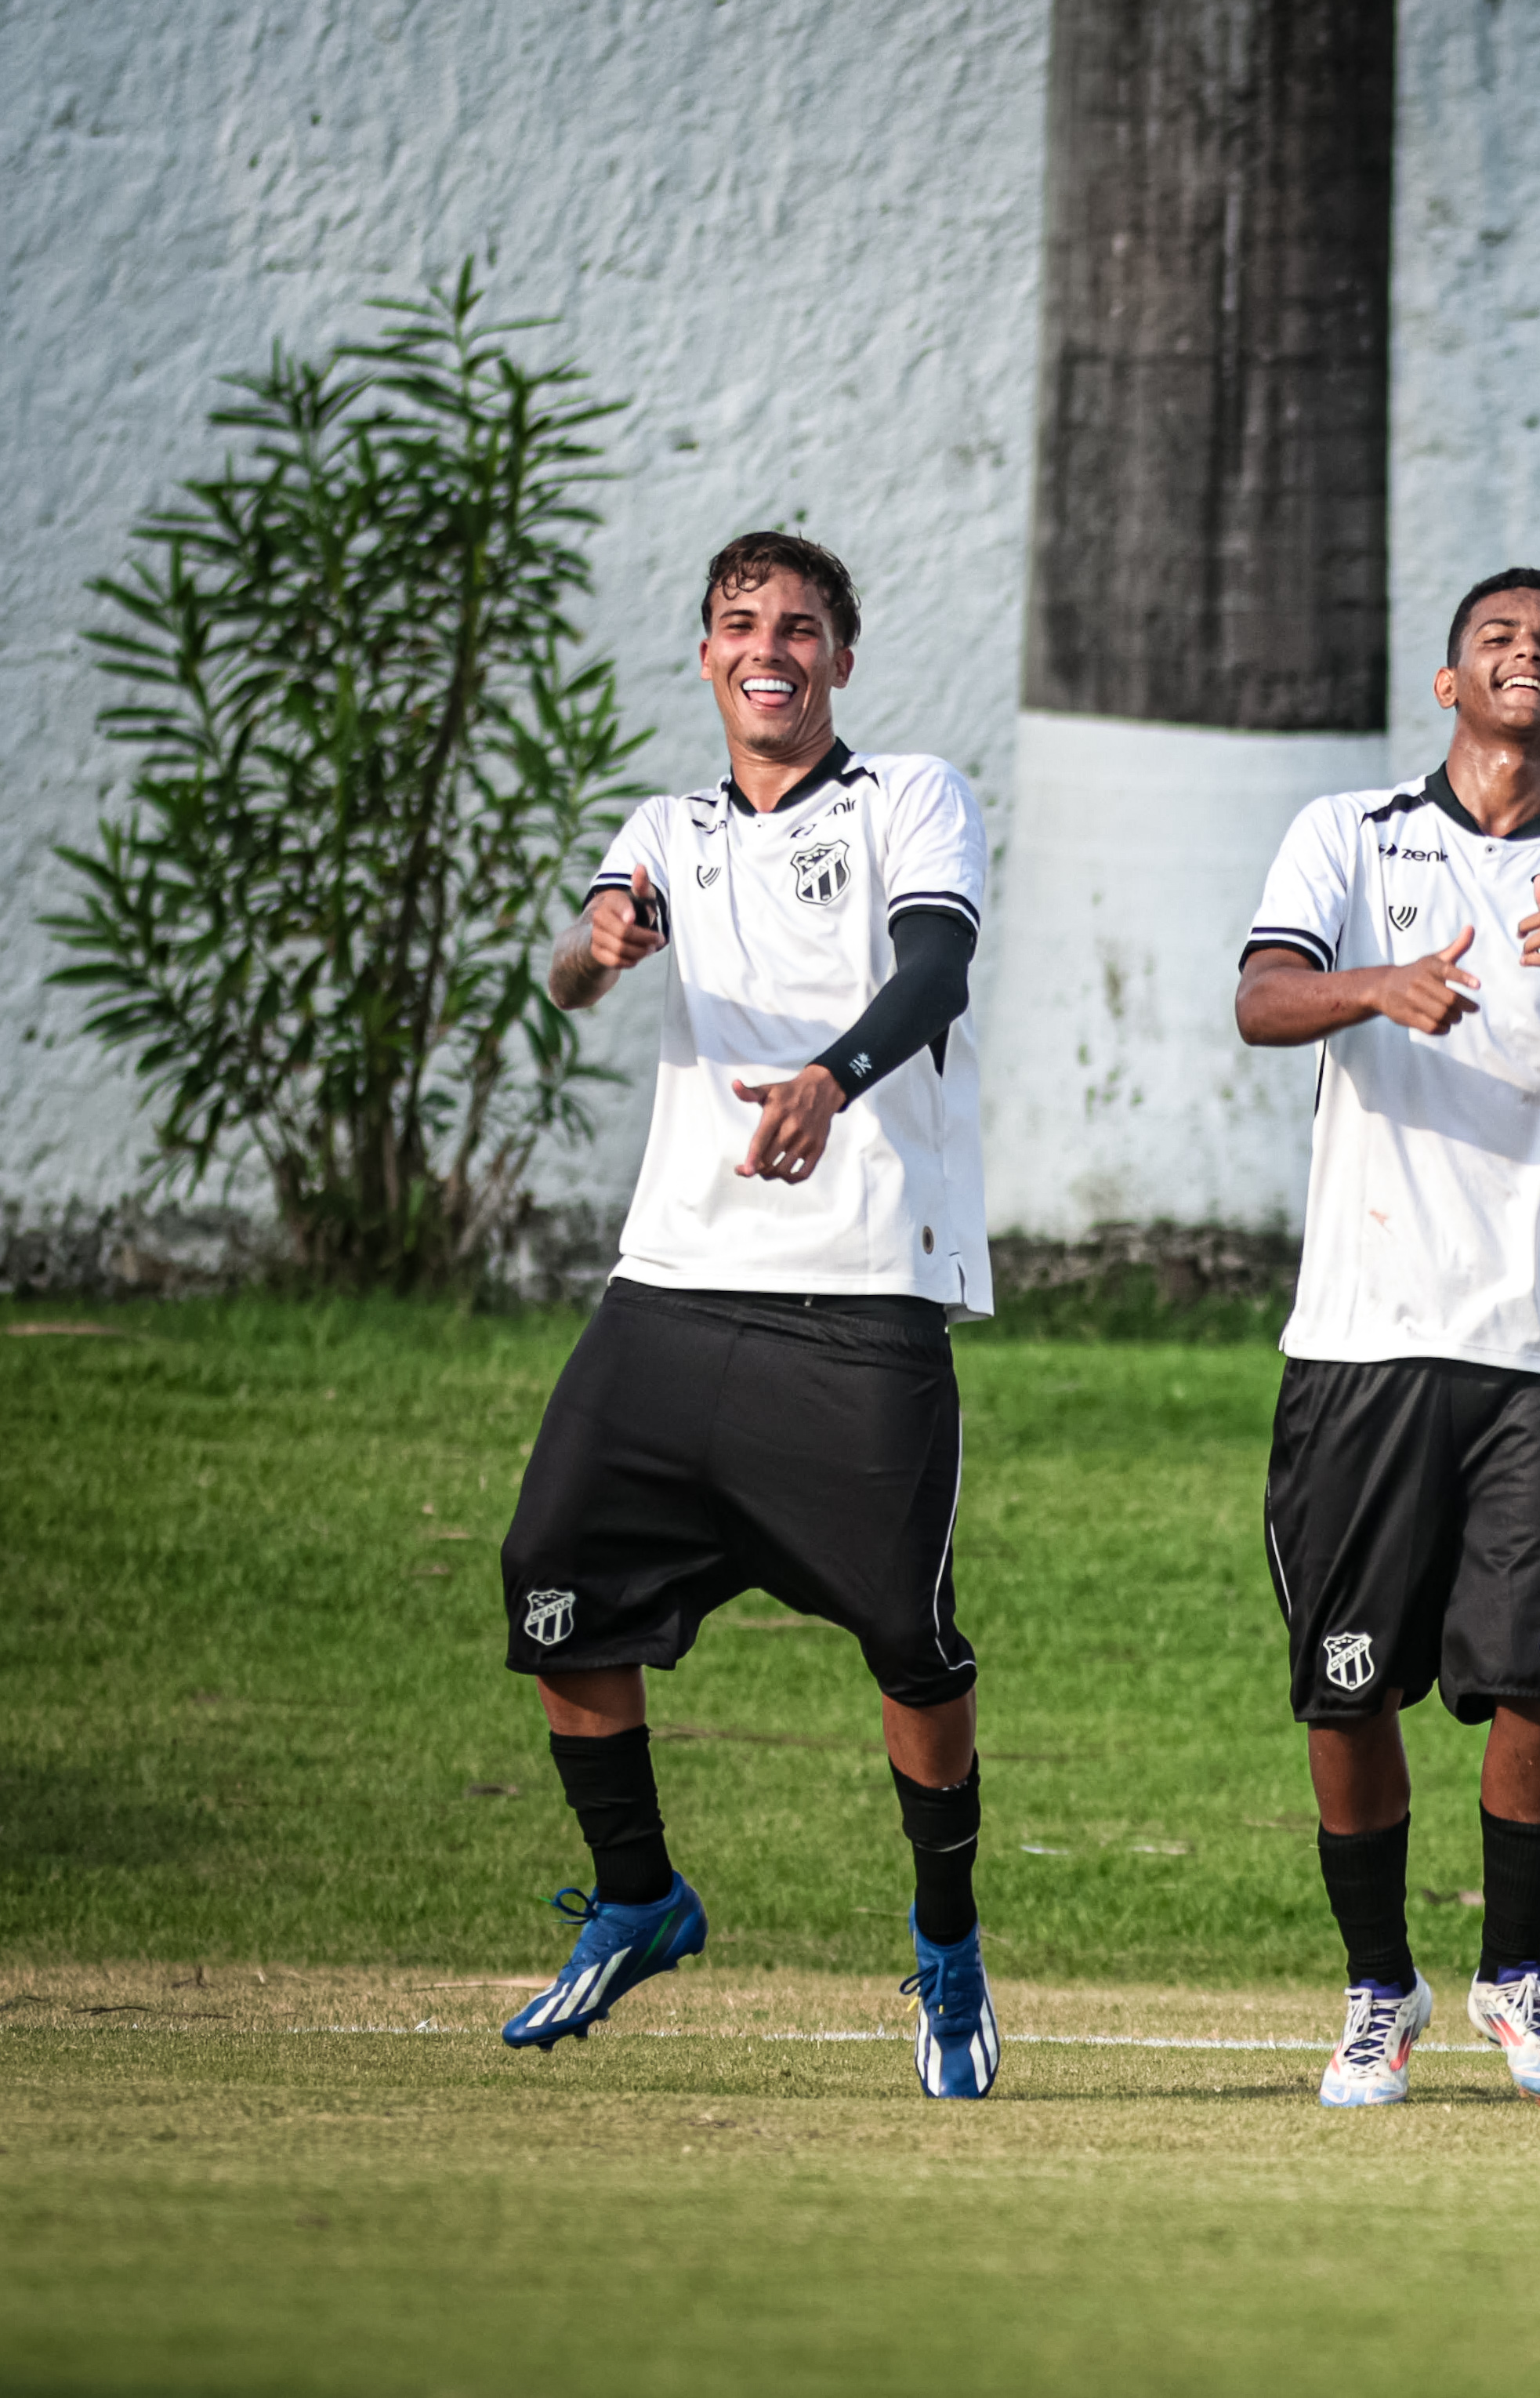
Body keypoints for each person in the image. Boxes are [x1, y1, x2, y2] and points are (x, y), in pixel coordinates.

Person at [495, 530, 1002, 2099]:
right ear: (707, 654)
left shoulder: (909, 795)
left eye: (798, 626)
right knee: (551, 1586)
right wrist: (598, 943)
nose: (767, 645)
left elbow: (934, 977)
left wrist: (825, 1083)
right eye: (739, 624)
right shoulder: (661, 825)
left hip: (860, 1297)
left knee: (909, 1645)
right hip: (669, 1289)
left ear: (839, 658)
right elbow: (581, 966)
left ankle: (945, 1951)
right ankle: (641, 1897)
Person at [1235, 568, 1540, 2108]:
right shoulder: (1348, 837)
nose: (1527, 660)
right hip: (1361, 1333)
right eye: (1498, 640)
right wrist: (1382, 987)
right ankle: (1377, 1990)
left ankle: (1513, 1975)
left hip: (1537, 1343)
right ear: (1447, 682)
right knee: (1345, 1683)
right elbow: (1260, 998)